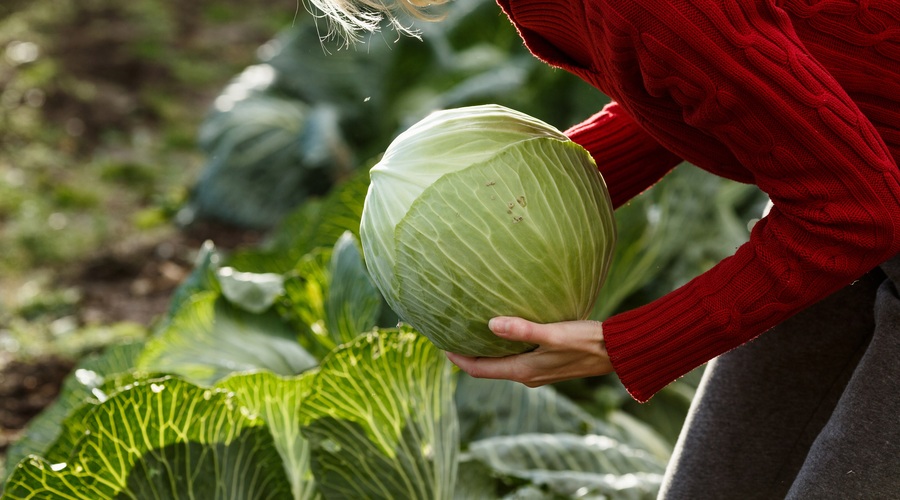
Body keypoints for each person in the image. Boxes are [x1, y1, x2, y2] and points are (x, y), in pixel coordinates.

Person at [313, 0, 900, 497]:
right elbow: (701, 78)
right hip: (853, 180)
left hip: (852, 202)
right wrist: (518, 202)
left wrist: (624, 345)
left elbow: (858, 211)